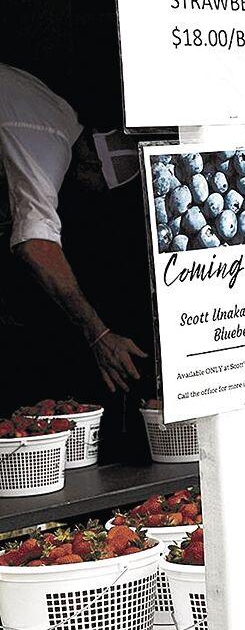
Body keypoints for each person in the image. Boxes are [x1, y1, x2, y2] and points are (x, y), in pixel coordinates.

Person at [0, 63, 146, 400]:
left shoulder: (57, 110)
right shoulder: (49, 145)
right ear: (92, 165)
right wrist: (98, 332)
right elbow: (36, 244)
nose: (81, 192)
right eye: (96, 188)